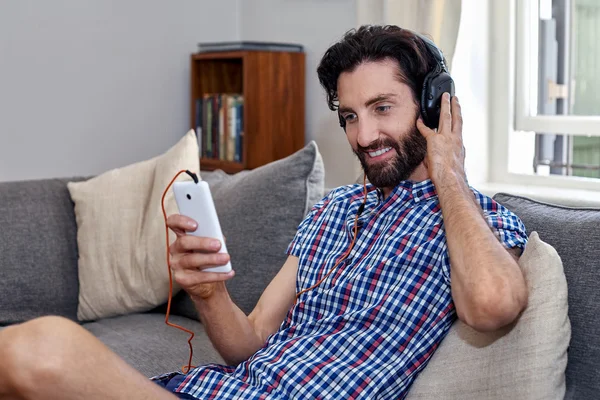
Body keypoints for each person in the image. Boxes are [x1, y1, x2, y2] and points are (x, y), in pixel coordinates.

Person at [0, 25, 529, 400]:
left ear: (434, 106)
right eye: (349, 116)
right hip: (224, 390)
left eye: (382, 108)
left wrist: (449, 173)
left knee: (43, 348)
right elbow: (248, 344)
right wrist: (209, 294)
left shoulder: (474, 218)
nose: (363, 137)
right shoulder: (334, 210)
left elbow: (492, 306)